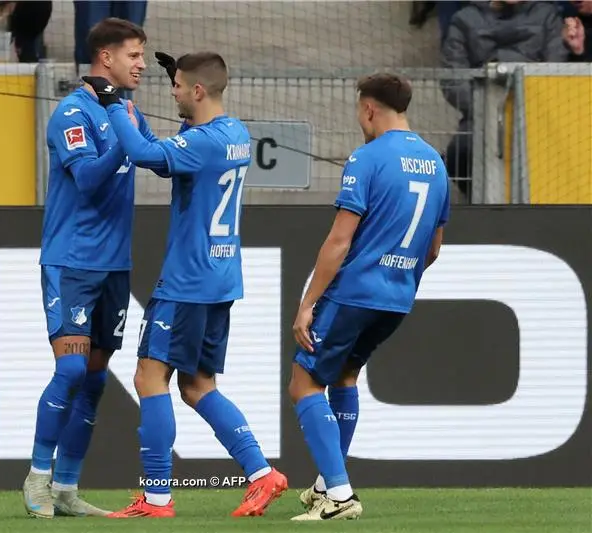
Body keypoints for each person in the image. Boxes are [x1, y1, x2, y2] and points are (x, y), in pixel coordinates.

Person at [82, 51, 288, 518]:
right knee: (197, 386)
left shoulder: (204, 143)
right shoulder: (233, 133)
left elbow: (141, 156)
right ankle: (262, 475)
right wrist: (141, 116)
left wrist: (114, 103)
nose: (170, 89)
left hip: (187, 282)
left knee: (148, 377)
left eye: (177, 84)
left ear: (197, 91)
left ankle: (156, 498)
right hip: (220, 279)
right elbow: (167, 153)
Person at [288, 73, 450, 521]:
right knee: (343, 377)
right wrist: (401, 277)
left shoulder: (367, 158)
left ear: (369, 109)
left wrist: (307, 304)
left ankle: (339, 494)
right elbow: (433, 248)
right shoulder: (436, 162)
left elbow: (339, 241)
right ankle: (326, 484)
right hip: (397, 298)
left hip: (355, 291)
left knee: (304, 383)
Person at [22, 17, 158, 519]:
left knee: (96, 378)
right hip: (71, 262)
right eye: (134, 56)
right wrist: (124, 132)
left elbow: (154, 156)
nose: (142, 64)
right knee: (73, 367)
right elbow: (89, 181)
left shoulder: (126, 111)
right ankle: (37, 476)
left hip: (114, 266)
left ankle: (67, 487)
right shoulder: (72, 114)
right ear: (106, 57)